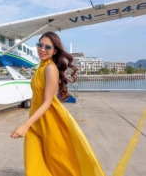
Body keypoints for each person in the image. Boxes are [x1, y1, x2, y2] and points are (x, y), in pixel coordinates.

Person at [11, 32, 105, 176]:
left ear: (55, 51)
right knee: (36, 161)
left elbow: (48, 102)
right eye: (39, 45)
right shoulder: (40, 68)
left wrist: (26, 125)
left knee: (59, 164)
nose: (42, 49)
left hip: (50, 121)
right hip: (38, 120)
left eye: (47, 47)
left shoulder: (50, 68)